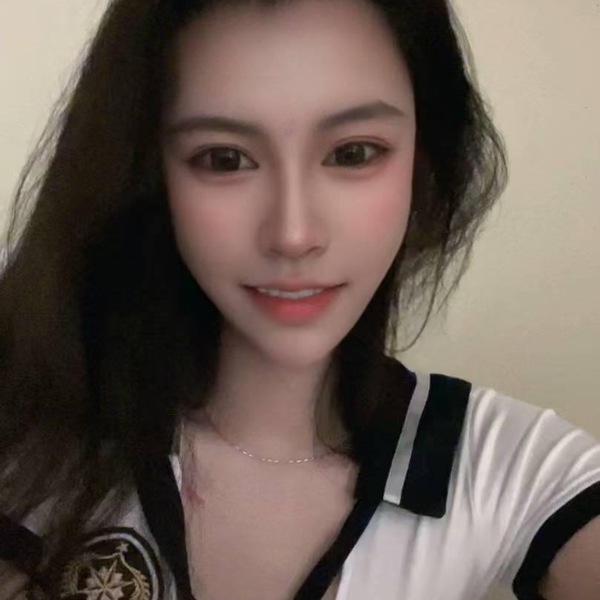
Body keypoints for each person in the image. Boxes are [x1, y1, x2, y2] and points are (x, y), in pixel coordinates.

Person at [1, 0, 599, 598]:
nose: (293, 234)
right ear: (150, 173)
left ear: (425, 159)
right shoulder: (36, 443)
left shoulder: (510, 467)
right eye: (225, 159)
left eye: (353, 153)